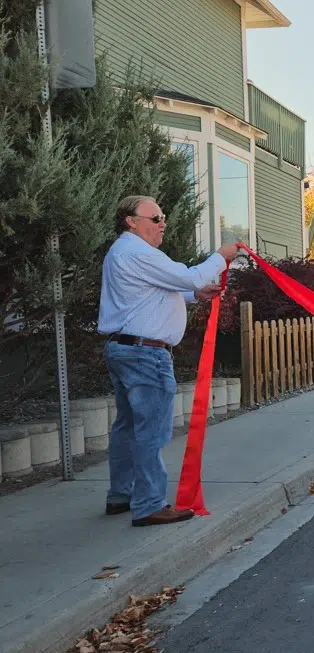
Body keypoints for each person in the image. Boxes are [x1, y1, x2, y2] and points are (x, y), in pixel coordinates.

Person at [97, 195, 239, 526]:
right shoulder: (136, 251)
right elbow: (188, 277)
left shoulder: (126, 253)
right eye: (155, 217)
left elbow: (154, 295)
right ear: (131, 221)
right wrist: (220, 257)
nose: (163, 223)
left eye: (163, 217)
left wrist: (195, 296)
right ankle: (148, 505)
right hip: (145, 355)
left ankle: (122, 494)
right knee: (150, 431)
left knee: (128, 427)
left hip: (127, 349)